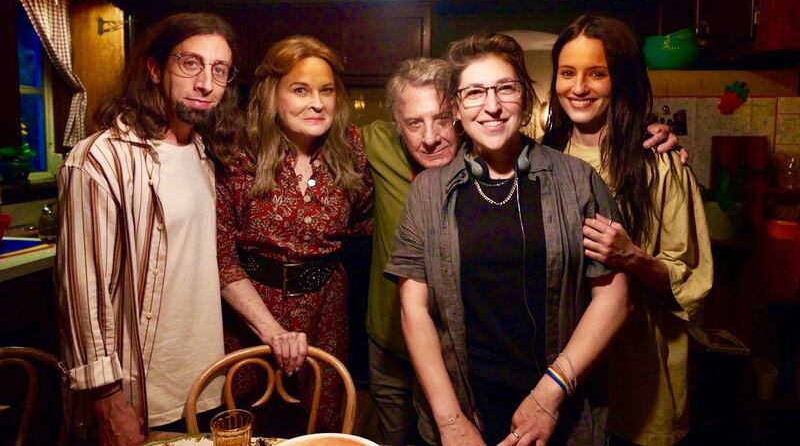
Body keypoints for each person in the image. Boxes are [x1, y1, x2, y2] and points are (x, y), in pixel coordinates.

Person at [363, 56, 685, 446]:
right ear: (460, 107)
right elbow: (413, 308)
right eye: (475, 93)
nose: (492, 106)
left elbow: (615, 296)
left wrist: (551, 393)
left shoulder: (575, 178)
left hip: (561, 403)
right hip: (450, 389)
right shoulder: (425, 189)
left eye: (505, 88)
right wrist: (450, 421)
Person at [56, 12, 241, 444]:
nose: (206, 83)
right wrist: (107, 399)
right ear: (155, 69)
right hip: (138, 396)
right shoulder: (101, 159)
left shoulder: (205, 153)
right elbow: (82, 293)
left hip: (205, 382)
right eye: (190, 63)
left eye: (219, 70)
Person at [543, 14, 713, 445]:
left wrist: (632, 257)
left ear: (621, 78)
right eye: (567, 72)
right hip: (559, 373)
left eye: (596, 73)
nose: (579, 87)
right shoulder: (541, 158)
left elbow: (692, 279)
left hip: (637, 378)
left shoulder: (658, 162)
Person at [215, 35, 373, 433]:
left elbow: (367, 219)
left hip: (327, 312)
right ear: (273, 93)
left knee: (322, 425)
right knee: (252, 426)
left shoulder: (351, 148)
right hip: (251, 313)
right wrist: (273, 332)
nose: (317, 103)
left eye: (326, 91)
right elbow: (221, 257)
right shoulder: (238, 152)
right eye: (300, 90)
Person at [361, 58, 458, 444]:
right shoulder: (378, 144)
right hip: (389, 346)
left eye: (443, 119)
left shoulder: (486, 161)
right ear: (396, 124)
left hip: (455, 356)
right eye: (414, 123)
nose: (430, 137)